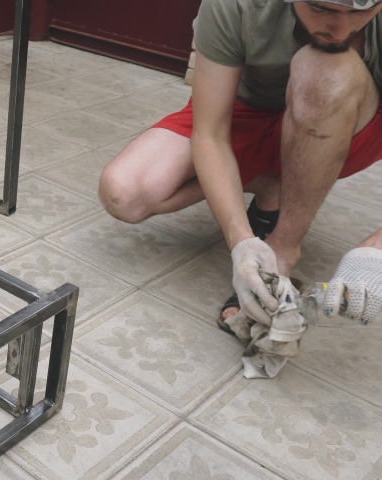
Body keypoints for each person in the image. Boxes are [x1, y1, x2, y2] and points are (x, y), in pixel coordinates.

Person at [97, 0, 382, 328]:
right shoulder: (234, 5)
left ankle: (282, 250)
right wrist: (241, 241)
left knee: (325, 69)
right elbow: (211, 133)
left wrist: (377, 247)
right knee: (124, 193)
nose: (339, 29)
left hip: (349, 121)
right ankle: (270, 184)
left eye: (361, 11)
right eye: (320, 8)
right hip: (246, 111)